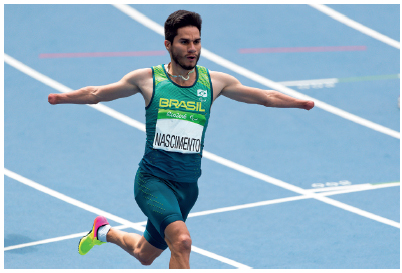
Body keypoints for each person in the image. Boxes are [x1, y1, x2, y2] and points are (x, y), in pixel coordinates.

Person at [48, 10, 314, 269]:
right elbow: (96, 93)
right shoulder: (149, 79)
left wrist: (299, 103)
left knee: (145, 254)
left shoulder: (214, 82)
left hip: (188, 188)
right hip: (153, 182)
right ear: (168, 44)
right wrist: (63, 98)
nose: (192, 48)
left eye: (197, 42)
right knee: (182, 241)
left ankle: (103, 232)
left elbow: (266, 97)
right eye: (184, 42)